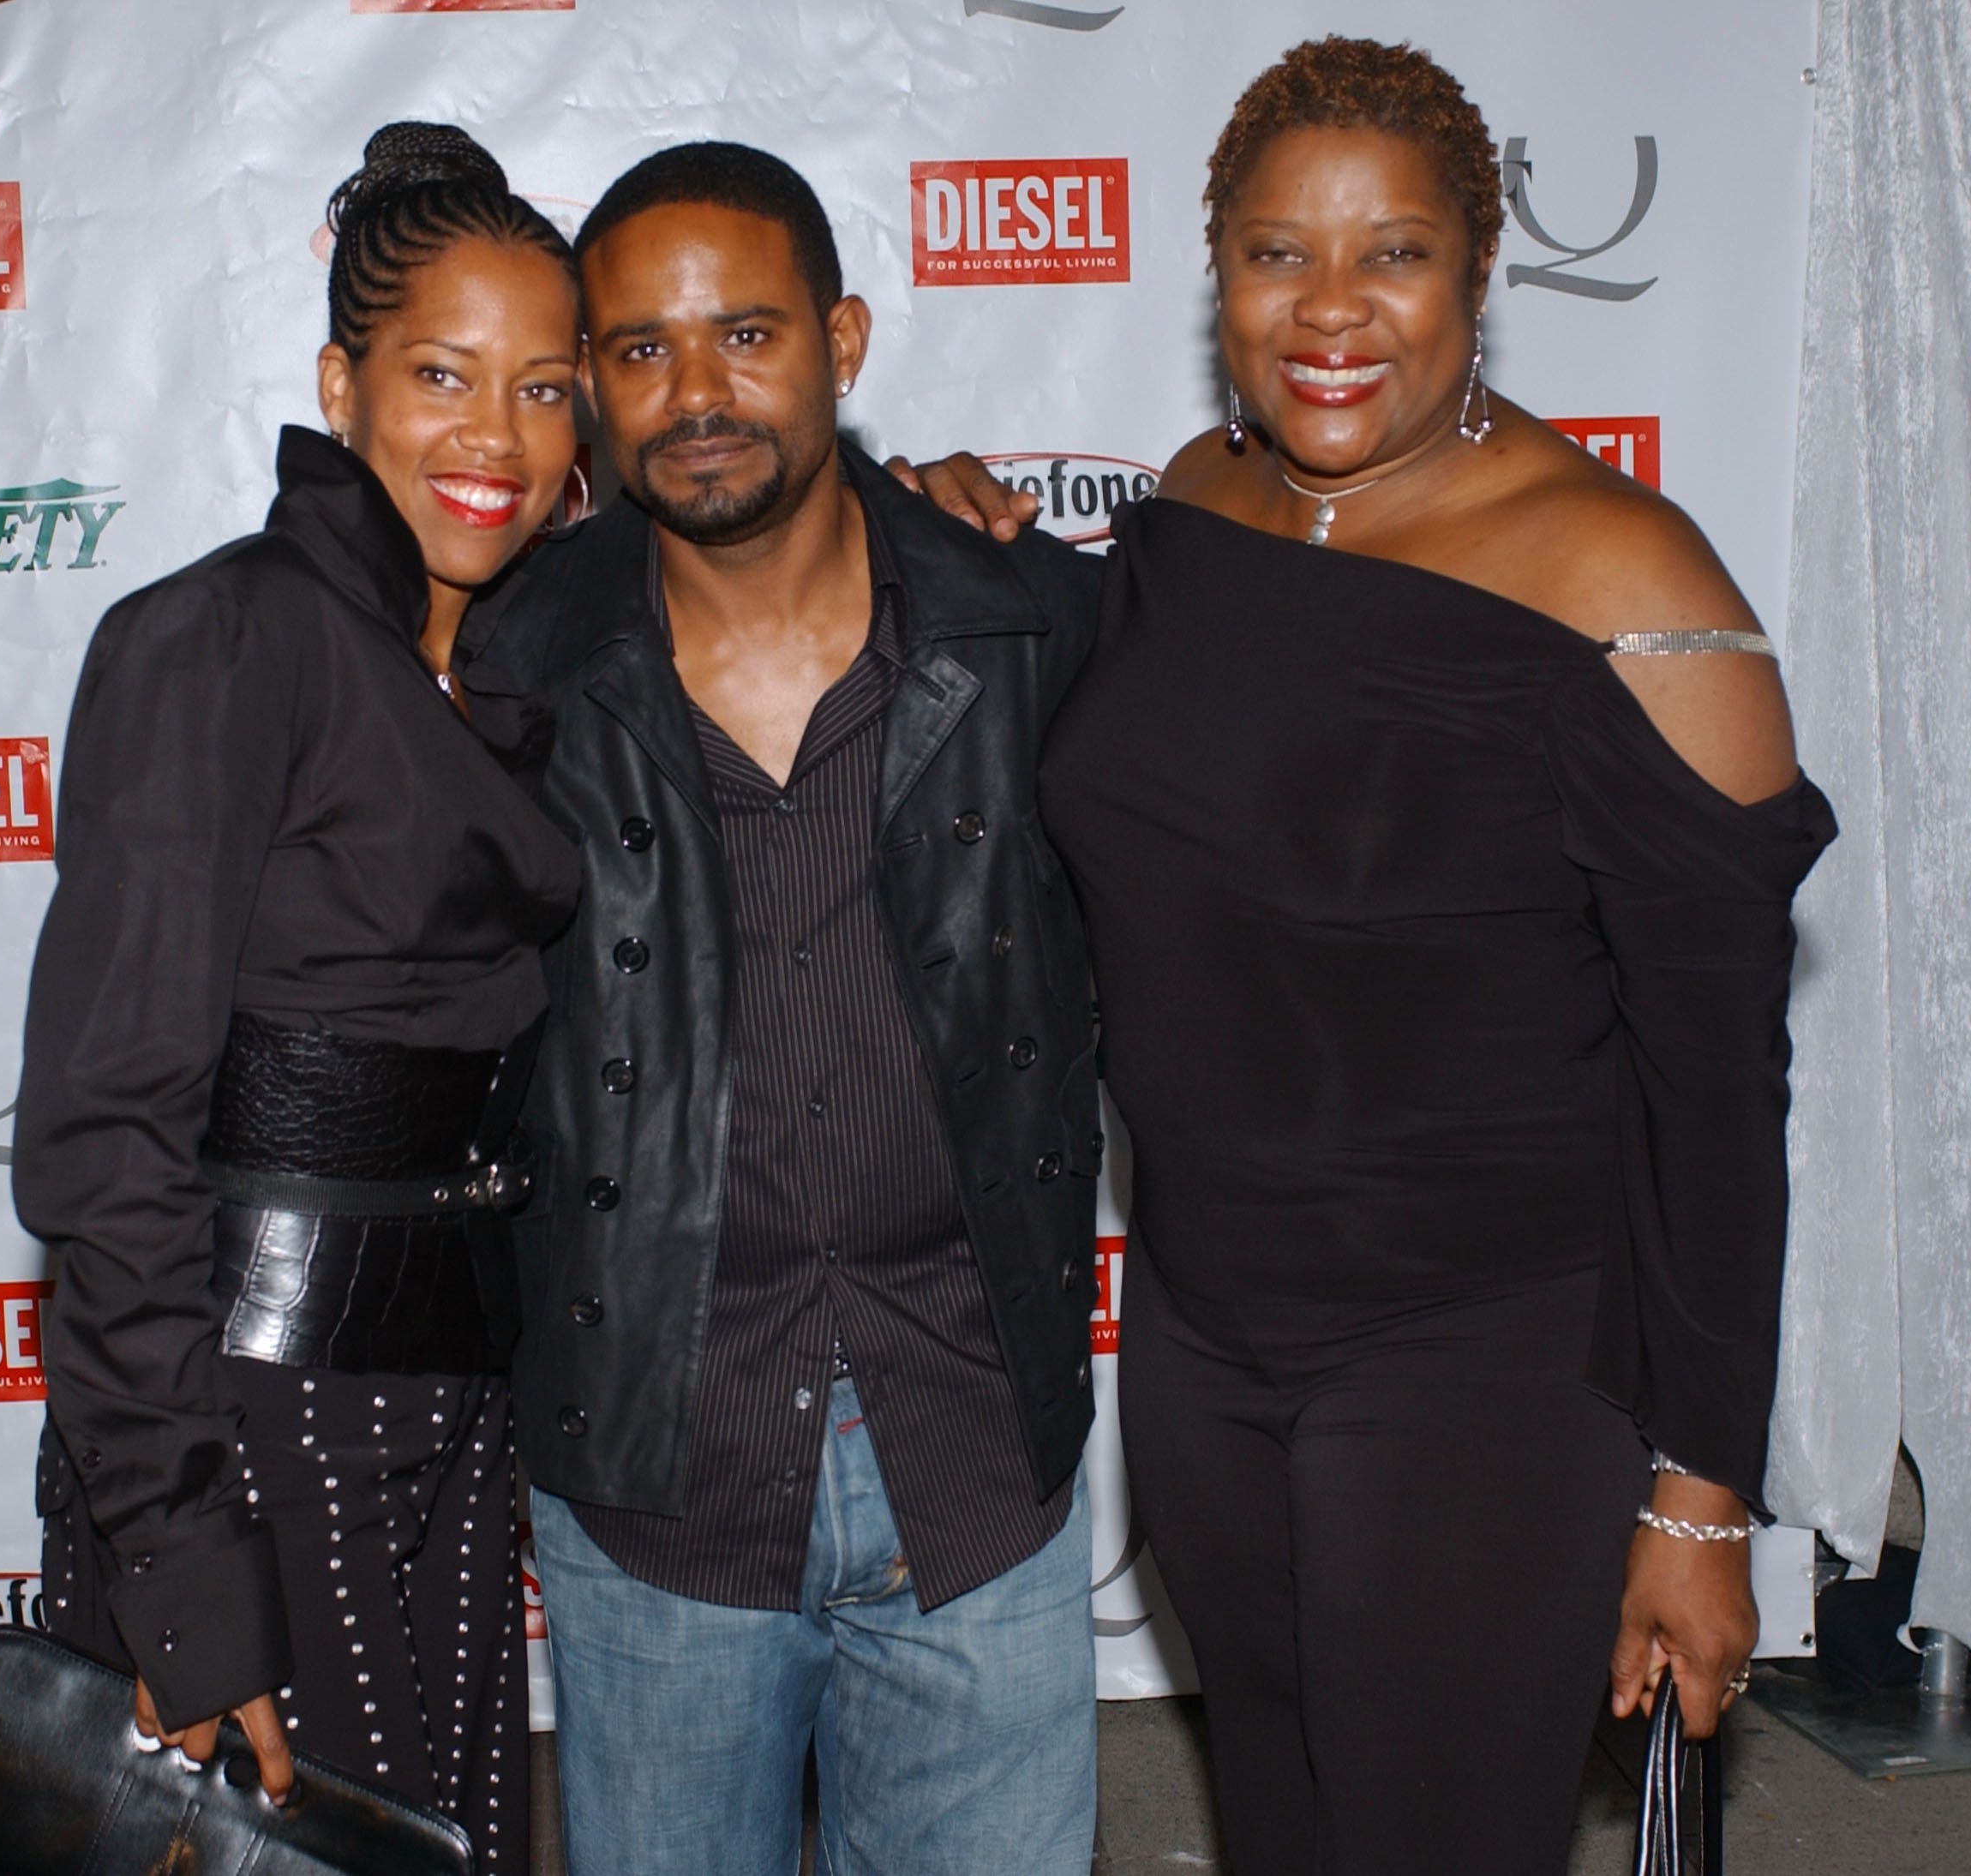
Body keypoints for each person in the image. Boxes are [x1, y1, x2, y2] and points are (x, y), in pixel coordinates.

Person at [1027, 38, 1838, 1875]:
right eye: (1274, 254)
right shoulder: (1195, 502)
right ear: (1214, 267)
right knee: (1289, 1837)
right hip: (1208, 1337)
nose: (1330, 311)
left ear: (1481, 273)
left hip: (1482, 1360)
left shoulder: (1631, 584)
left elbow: (1719, 1095)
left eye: (1391, 254)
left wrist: (1701, 1504)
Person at [452, 142, 1103, 1876]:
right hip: (661, 1476)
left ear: (846, 339)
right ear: (588, 386)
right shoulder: (504, 675)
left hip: (979, 1461)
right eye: (642, 351)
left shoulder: (1033, 627)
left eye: (746, 334)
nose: (696, 394)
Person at [11, 123, 582, 1875]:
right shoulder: (226, 640)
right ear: (342, 387)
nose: (495, 436)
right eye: (440, 376)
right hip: (254, 1431)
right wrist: (182, 1577)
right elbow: (106, 1132)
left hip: (447, 1411)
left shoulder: (521, 655)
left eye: (546, 388)